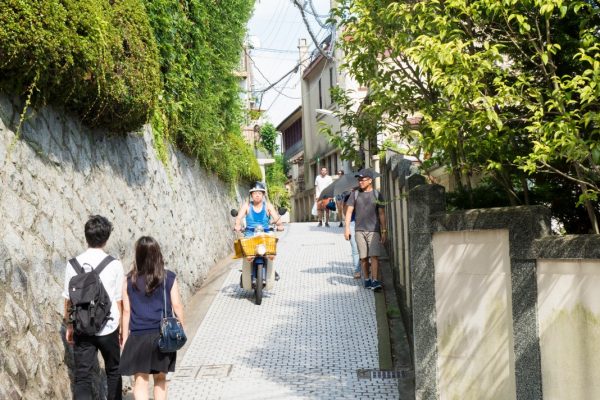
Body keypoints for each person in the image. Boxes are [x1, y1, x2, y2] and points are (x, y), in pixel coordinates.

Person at [62, 215, 124, 400]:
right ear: (106, 238)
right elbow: (118, 301)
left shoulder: (72, 264)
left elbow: (68, 299)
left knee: (82, 377)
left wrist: (69, 326)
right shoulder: (114, 264)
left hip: (82, 327)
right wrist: (120, 328)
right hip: (109, 326)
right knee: (113, 371)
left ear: (86, 236)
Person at [120, 236, 184, 400]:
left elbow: (126, 311)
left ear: (138, 255)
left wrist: (125, 339)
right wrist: (180, 329)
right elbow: (177, 306)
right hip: (162, 336)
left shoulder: (129, 280)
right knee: (160, 379)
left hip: (138, 337)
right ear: (157, 254)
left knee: (140, 382)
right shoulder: (168, 277)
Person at [344, 168, 387, 292]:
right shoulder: (355, 194)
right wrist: (346, 229)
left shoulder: (377, 194)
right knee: (363, 257)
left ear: (370, 180)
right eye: (359, 180)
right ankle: (367, 278)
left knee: (374, 256)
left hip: (374, 230)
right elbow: (349, 212)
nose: (360, 182)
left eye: (363, 180)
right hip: (359, 230)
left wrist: (384, 231)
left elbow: (382, 214)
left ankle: (375, 280)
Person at [343, 188, 361, 279]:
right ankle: (357, 270)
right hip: (352, 223)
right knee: (355, 247)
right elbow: (345, 212)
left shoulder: (363, 194)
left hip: (364, 223)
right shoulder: (347, 196)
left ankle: (365, 265)